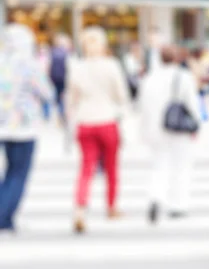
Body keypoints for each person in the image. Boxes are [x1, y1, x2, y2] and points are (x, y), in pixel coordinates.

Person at [65, 26, 129, 234]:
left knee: (86, 168)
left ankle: (80, 210)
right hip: (107, 119)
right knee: (111, 167)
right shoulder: (111, 66)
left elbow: (71, 98)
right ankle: (111, 207)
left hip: (85, 121)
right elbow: (121, 95)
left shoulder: (76, 67)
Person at [0, 24, 54, 233]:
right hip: (24, 127)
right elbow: (46, 92)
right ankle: (5, 216)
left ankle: (5, 213)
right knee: (18, 173)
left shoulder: (2, 62)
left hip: (3, 126)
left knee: (8, 172)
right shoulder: (29, 65)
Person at [138, 45, 200, 223]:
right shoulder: (184, 76)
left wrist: (144, 131)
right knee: (181, 166)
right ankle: (178, 205)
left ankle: (156, 197)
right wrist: (196, 126)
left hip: (157, 129)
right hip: (179, 128)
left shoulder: (149, 78)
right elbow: (192, 104)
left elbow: (143, 107)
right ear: (176, 58)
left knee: (159, 166)